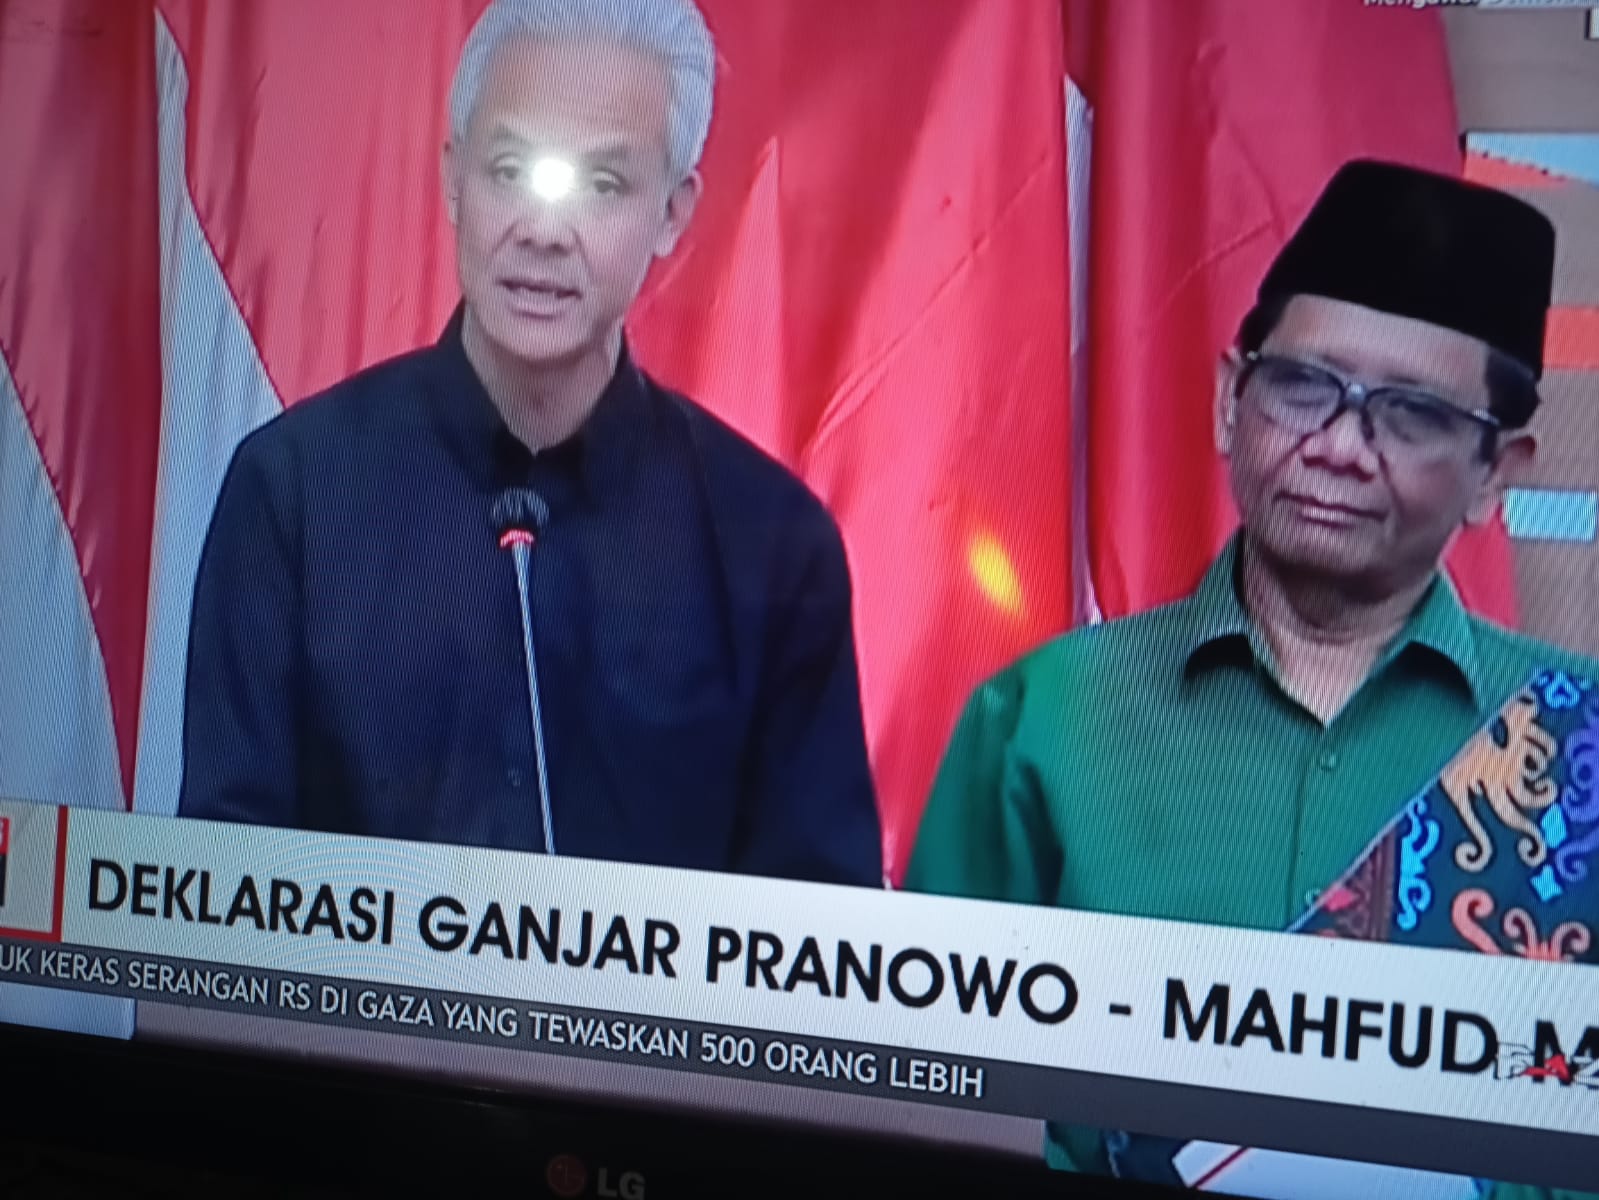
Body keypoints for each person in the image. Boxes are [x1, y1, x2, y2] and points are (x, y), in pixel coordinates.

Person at [905, 160, 1599, 1188]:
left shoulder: (1574, 746)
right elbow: (938, 1093)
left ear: (1496, 471)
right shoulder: (1043, 717)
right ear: (1232, 399)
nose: (1339, 448)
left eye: (1409, 414)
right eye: (1303, 389)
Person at [178, 0, 882, 887]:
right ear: (452, 179)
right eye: (511, 171)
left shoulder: (771, 544)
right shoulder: (295, 495)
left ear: (673, 213)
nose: (544, 232)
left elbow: (815, 932)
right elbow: (217, 898)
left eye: (601, 185)